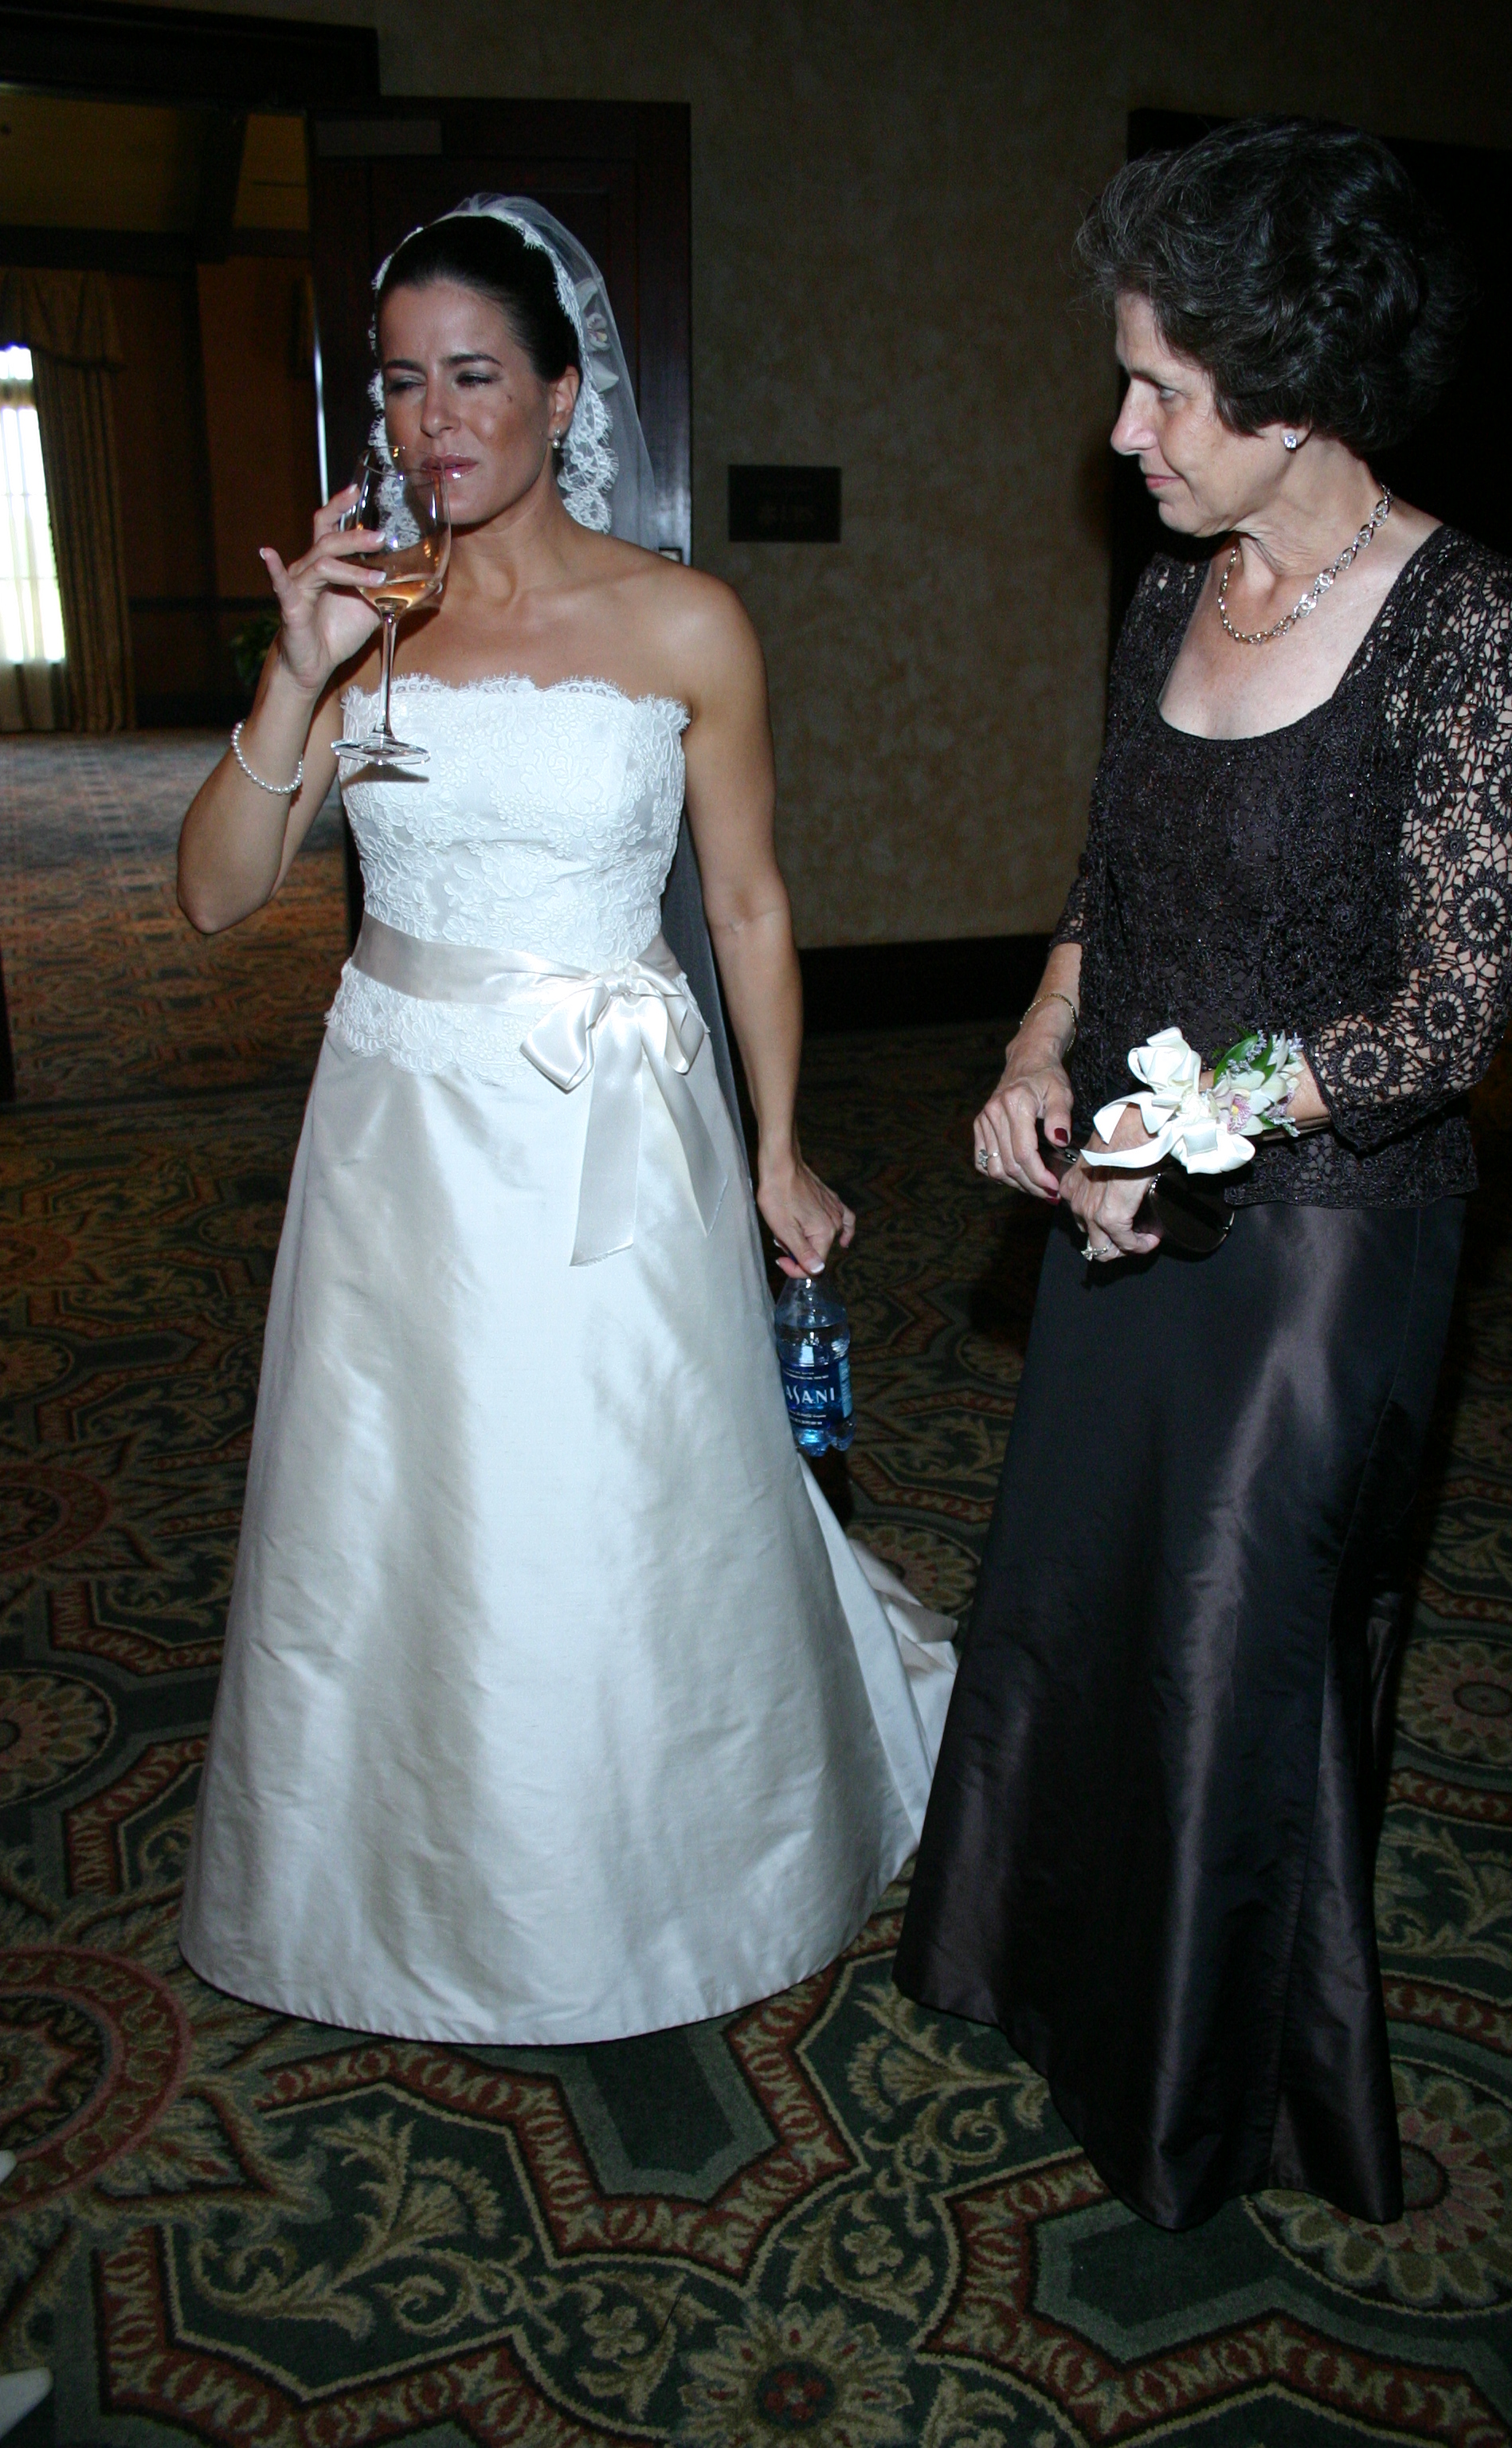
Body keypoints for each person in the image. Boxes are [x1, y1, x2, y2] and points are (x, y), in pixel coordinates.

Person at [177, 197, 954, 2044]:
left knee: (625, 1476)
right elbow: (213, 895)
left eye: (474, 376)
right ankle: (405, 1862)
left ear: (559, 391)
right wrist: (293, 668)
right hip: (399, 1127)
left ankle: (675, 1850)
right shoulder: (367, 625)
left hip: (616, 1117)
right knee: (407, 1487)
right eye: (401, 383)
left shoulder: (684, 621)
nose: (434, 422)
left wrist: (774, 1147)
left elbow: (745, 903)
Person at [894, 119, 1512, 2230]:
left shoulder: (1468, 623)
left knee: (1221, 1643)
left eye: (1163, 390)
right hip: (1131, 1200)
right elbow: (1112, 879)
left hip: (1320, 1250)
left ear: (1299, 391)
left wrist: (1162, 1135)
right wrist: (1035, 1055)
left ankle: (1203, 2087)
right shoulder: (1172, 588)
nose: (1122, 431)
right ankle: (1036, 1962)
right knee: (1082, 1599)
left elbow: (1441, 1023)